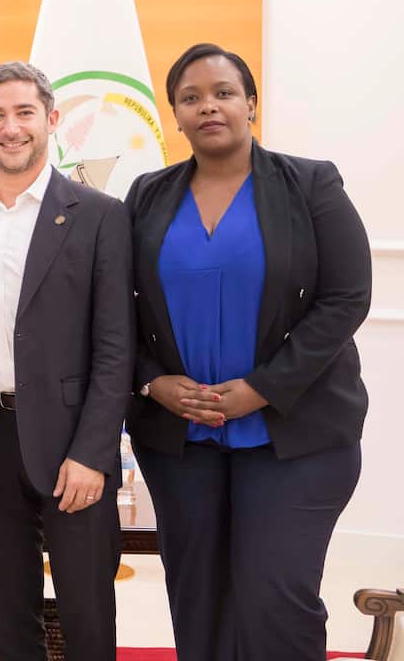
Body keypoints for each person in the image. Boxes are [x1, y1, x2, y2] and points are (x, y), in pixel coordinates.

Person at [126, 43, 370, 661]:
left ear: (252, 106)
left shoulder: (311, 184)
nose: (208, 106)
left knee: (275, 598)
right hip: (182, 443)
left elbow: (346, 298)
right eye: (191, 98)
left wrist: (260, 388)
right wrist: (153, 382)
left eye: (224, 93)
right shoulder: (146, 196)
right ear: (174, 115)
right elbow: (114, 311)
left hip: (296, 436)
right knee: (197, 598)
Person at [0, 61, 132, 661]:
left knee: (86, 608)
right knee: (4, 601)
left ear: (51, 119)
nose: (11, 128)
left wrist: (94, 453)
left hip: (72, 442)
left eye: (24, 113)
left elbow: (116, 345)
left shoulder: (99, 215)